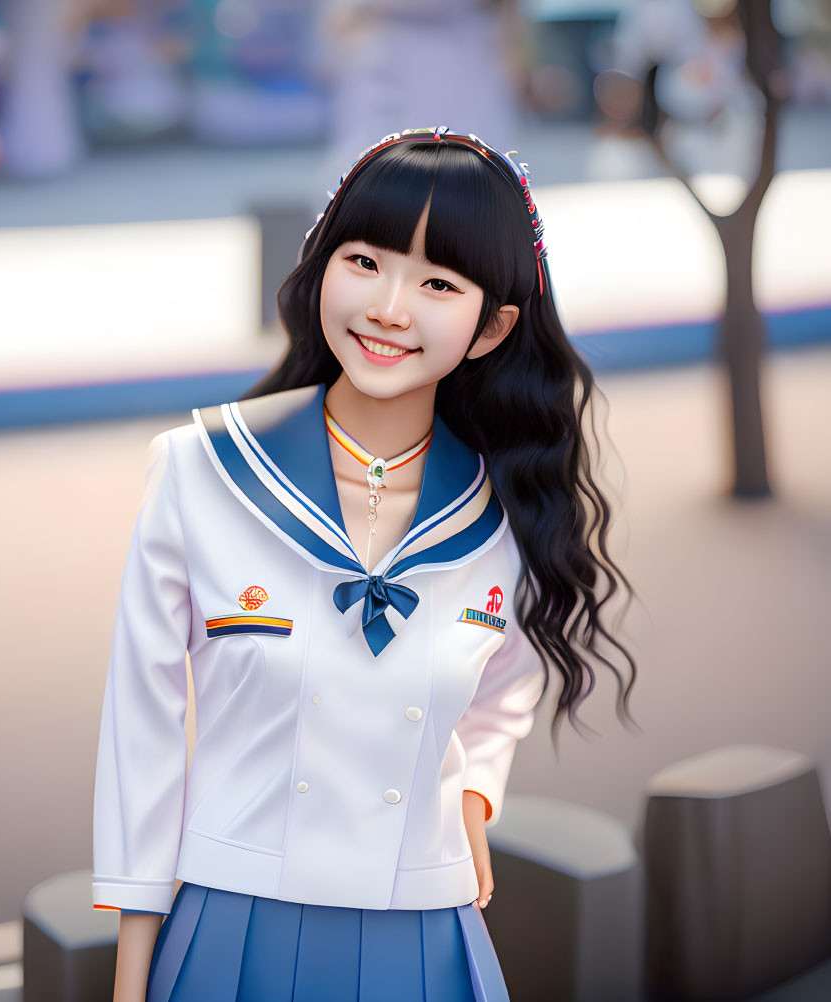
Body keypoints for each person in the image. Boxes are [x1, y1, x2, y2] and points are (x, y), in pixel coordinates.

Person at [92, 126, 639, 1002]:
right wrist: (132, 974)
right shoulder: (199, 472)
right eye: (364, 261)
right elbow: (141, 736)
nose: (390, 307)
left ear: (493, 326)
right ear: (321, 268)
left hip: (426, 924)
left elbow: (505, 684)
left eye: (437, 282)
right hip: (234, 920)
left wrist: (473, 797)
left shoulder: (505, 510)